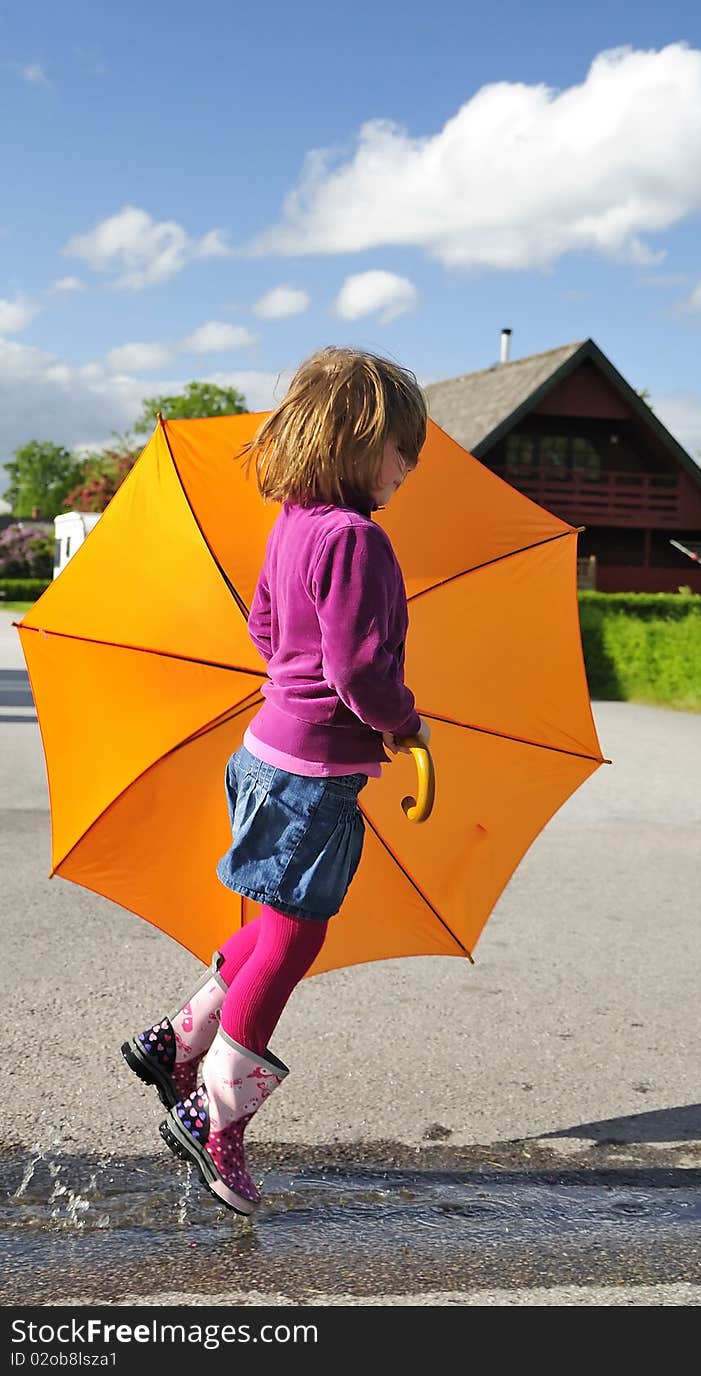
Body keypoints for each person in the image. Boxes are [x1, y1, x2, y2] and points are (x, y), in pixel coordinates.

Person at [122, 346, 430, 1216]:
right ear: (360, 440)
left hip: (264, 754)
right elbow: (362, 671)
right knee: (297, 938)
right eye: (403, 449)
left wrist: (298, 675)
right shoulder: (358, 537)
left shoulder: (294, 520)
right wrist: (403, 723)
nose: (408, 468)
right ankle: (212, 1116)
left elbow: (264, 622)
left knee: (271, 919)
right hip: (315, 775)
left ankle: (177, 1039)